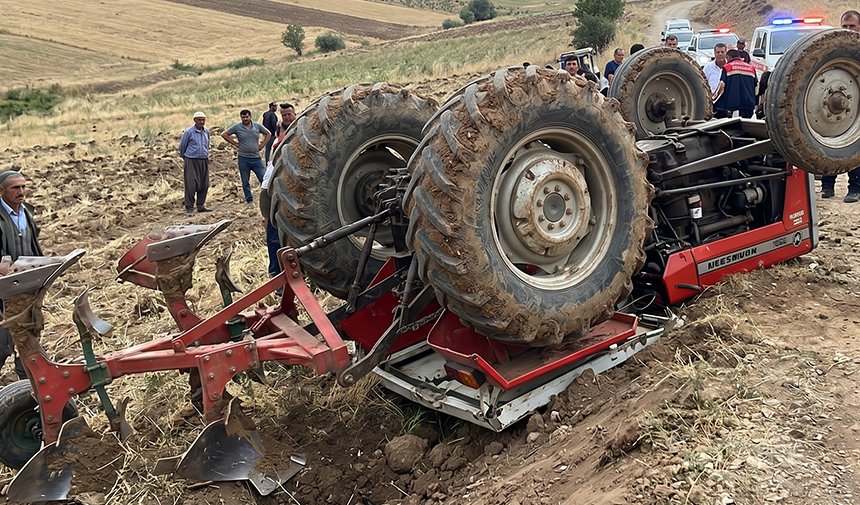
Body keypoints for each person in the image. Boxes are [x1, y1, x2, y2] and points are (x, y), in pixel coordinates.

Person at [0, 171, 41, 380]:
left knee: (27, 338)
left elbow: (33, 247)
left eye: (23, 187)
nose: (21, 192)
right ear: (1, 191)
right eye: (15, 188)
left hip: (24, 288)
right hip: (3, 291)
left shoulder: (27, 212)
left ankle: (28, 386)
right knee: (2, 345)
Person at [821, 10, 860, 202]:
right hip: (835, 107)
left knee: (856, 149)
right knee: (831, 147)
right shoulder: (832, 50)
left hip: (857, 109)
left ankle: (855, 188)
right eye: (845, 26)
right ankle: (827, 186)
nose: (848, 30)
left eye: (852, 26)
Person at [221, 109, 271, 206]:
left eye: (247, 117)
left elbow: (268, 133)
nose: (245, 119)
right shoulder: (237, 127)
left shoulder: (257, 126)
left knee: (264, 179)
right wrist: (235, 143)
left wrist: (262, 145)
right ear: (241, 118)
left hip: (256, 158)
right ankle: (249, 201)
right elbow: (224, 134)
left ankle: (268, 198)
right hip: (243, 158)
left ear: (250, 116)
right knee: (245, 181)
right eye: (243, 117)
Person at [178, 111, 211, 216]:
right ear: (195, 121)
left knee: (204, 184)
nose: (202, 122)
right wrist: (186, 157)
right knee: (191, 184)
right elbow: (182, 147)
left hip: (203, 160)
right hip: (191, 160)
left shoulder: (206, 132)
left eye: (203, 120)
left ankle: (201, 205)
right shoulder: (189, 132)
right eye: (199, 120)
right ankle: (189, 207)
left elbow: (207, 144)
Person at [714, 49, 757, 119]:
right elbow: (756, 88)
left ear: (728, 57)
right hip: (749, 106)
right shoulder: (751, 68)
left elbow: (721, 86)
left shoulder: (728, 67)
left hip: (734, 106)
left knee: (735, 128)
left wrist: (713, 99)